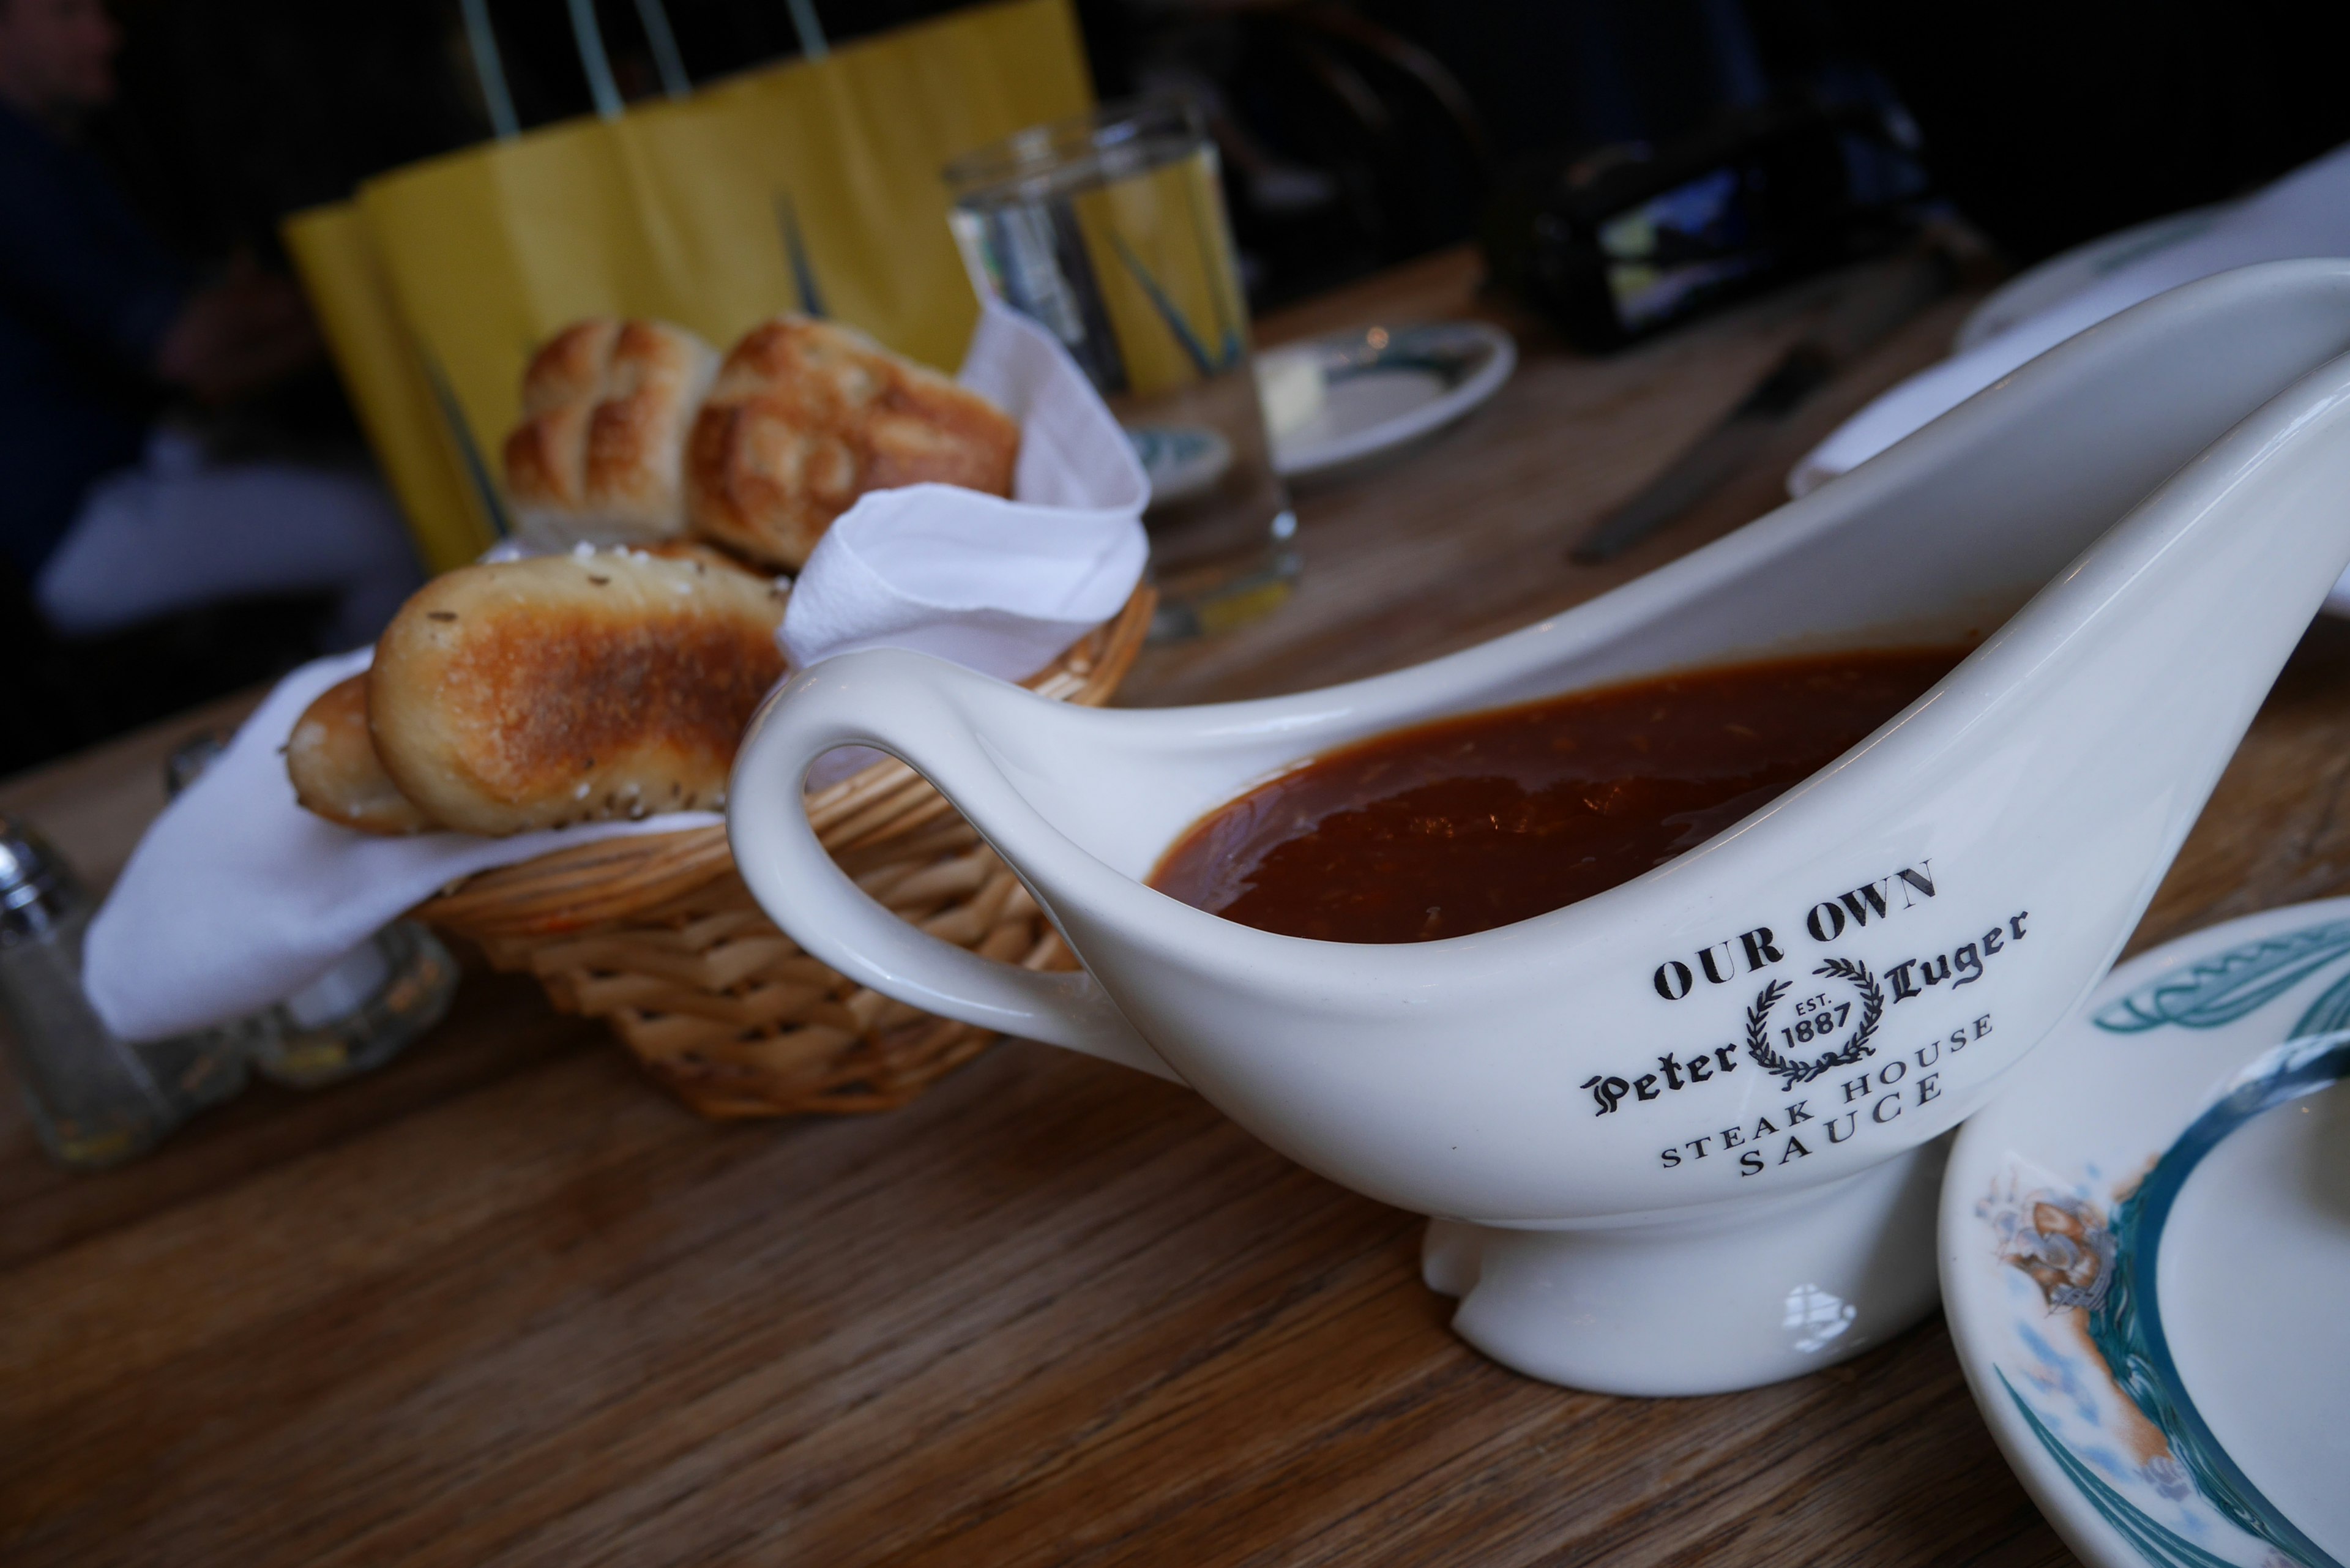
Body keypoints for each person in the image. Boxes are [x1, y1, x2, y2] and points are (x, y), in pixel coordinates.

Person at [0, 0, 422, 650]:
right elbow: (186, 352)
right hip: (79, 522)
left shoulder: (58, 149)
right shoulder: (14, 168)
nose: (105, 34)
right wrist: (349, 292)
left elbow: (202, 362)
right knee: (392, 522)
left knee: (379, 475)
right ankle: (370, 735)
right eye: (67, 13)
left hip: (150, 460)